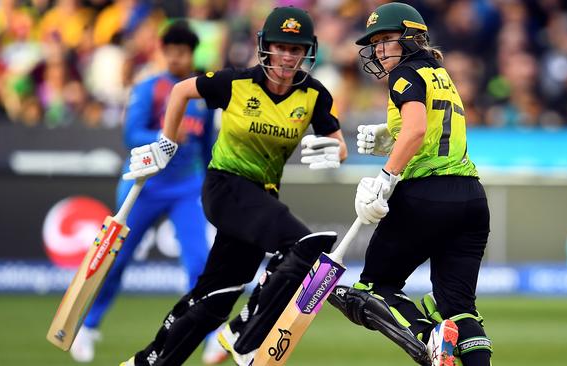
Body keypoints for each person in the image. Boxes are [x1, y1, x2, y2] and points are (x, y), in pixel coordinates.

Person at [119, 6, 348, 366]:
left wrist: (336, 152)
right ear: (265, 47)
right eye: (280, 47)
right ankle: (244, 333)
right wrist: (167, 143)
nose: (288, 56)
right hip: (224, 186)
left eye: (296, 49)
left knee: (214, 298)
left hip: (261, 197)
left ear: (307, 52)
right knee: (306, 245)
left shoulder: (314, 95)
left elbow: (337, 141)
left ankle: (149, 360)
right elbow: (180, 91)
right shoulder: (235, 82)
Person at [327, 3, 492, 366]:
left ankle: (429, 341)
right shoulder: (441, 75)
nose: (380, 49)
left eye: (387, 39)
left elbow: (416, 129)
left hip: (426, 196)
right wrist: (392, 138)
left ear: (412, 39)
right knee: (460, 308)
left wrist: (385, 178)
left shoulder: (404, 74)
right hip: (471, 199)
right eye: (376, 42)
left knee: (372, 289)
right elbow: (430, 130)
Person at [70, 21, 215, 363]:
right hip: (145, 186)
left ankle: (208, 336)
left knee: (199, 264)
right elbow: (131, 134)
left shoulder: (203, 93)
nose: (178, 58)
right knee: (115, 261)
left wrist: (212, 181)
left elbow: (207, 144)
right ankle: (88, 325)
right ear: (163, 52)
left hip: (186, 187)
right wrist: (163, 139)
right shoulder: (150, 88)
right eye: (172, 52)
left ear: (192, 54)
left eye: (184, 53)